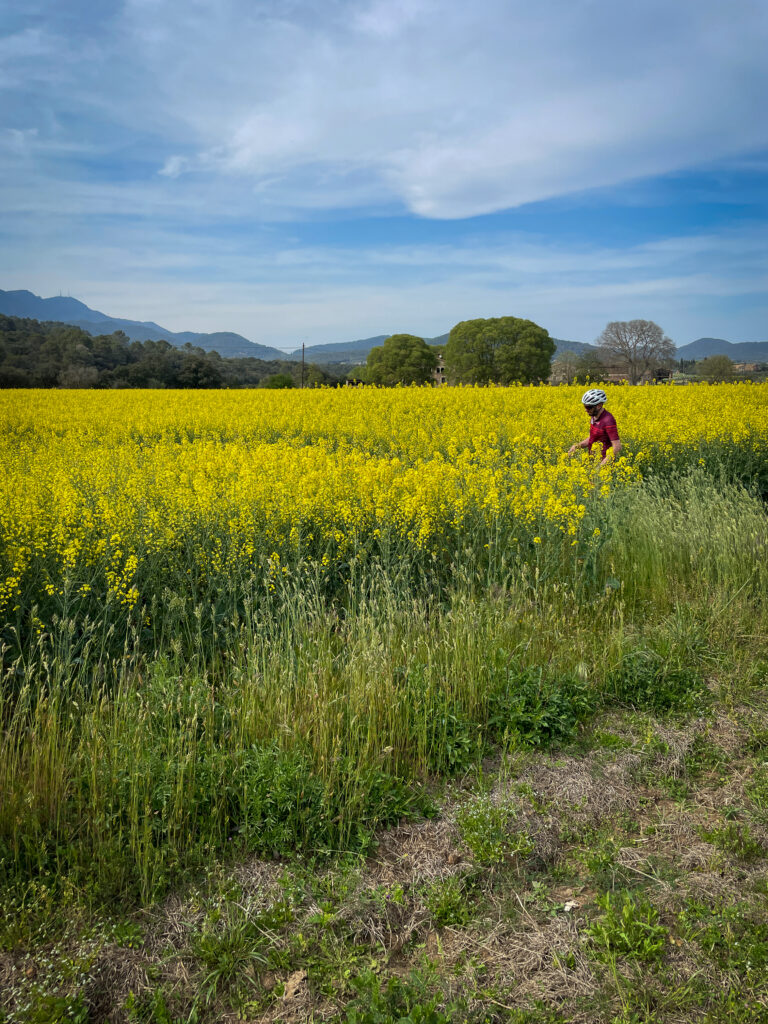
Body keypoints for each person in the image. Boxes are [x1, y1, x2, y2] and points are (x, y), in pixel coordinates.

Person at [567, 389, 622, 466]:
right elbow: (593, 437)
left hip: (604, 468)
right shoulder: (594, 417)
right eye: (585, 406)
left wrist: (601, 466)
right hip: (593, 463)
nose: (586, 410)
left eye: (588, 407)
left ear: (599, 405)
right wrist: (577, 446)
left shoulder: (608, 420)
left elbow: (617, 447)